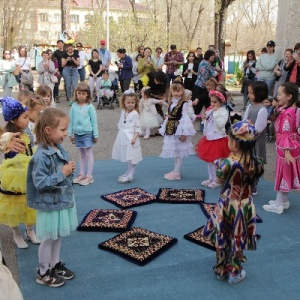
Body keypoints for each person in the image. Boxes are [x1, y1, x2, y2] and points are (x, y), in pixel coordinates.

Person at [203, 121, 264, 284]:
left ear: (235, 143)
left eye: (229, 140)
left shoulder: (228, 163)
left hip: (227, 204)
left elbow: (218, 179)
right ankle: (234, 270)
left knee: (222, 235)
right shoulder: (255, 163)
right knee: (238, 237)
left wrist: (219, 164)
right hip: (245, 205)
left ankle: (221, 268)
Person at [27, 108, 77, 287]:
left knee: (58, 235)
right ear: (48, 130)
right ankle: (43, 272)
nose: (66, 133)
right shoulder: (41, 156)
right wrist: (63, 173)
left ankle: (54, 265)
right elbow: (40, 182)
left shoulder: (58, 148)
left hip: (60, 201)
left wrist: (68, 169)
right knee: (48, 237)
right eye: (62, 130)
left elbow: (61, 172)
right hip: (49, 204)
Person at [0, 97, 39, 249]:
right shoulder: (10, 138)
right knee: (14, 207)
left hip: (28, 175)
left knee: (29, 204)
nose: (27, 119)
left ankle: (30, 231)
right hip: (14, 178)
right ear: (14, 120)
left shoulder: (26, 133)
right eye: (24, 117)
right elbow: (12, 159)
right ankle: (16, 234)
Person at [262, 82, 300, 214]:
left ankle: (278, 204)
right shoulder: (285, 110)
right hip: (285, 149)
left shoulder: (288, 113)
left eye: (279, 94)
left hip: (286, 150)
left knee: (283, 175)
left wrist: (287, 152)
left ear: (289, 96)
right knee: (285, 174)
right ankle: (284, 201)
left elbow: (286, 134)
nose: (276, 96)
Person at [159, 76, 195, 180]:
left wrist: (183, 132)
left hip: (179, 129)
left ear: (182, 91)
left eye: (178, 91)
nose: (175, 93)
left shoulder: (184, 103)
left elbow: (185, 117)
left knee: (179, 151)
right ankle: (175, 170)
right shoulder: (172, 102)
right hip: (171, 128)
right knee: (175, 150)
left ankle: (177, 172)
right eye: (174, 91)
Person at [195, 90, 230, 188]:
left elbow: (221, 124)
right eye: (211, 102)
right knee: (209, 161)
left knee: (216, 161)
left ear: (221, 102)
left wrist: (215, 114)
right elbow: (206, 123)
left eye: (215, 102)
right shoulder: (210, 110)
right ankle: (211, 178)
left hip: (218, 138)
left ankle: (217, 180)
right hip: (209, 137)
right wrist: (204, 117)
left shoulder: (223, 111)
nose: (213, 104)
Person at [68, 83, 98, 186]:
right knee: (81, 155)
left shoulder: (90, 107)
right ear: (76, 94)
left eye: (83, 93)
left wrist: (96, 134)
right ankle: (82, 174)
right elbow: (71, 120)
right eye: (79, 93)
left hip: (87, 133)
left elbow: (94, 121)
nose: (81, 95)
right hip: (77, 134)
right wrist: (70, 133)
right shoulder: (74, 106)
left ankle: (89, 176)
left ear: (87, 95)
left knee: (89, 154)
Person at [112, 89, 142, 183]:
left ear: (135, 103)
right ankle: (128, 172)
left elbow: (137, 128)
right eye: (128, 102)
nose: (130, 104)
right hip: (125, 136)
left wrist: (134, 138)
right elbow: (122, 123)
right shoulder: (124, 111)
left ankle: (131, 175)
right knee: (128, 156)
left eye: (132, 102)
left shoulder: (135, 114)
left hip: (131, 137)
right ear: (124, 102)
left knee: (133, 156)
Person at [243, 81, 268, 165]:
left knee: (256, 160)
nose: (249, 95)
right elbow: (244, 120)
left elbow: (258, 129)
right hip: (247, 136)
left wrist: (249, 126)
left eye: (251, 93)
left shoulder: (262, 109)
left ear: (259, 93)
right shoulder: (250, 106)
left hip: (256, 140)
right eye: (248, 92)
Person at [193, 50, 219, 115]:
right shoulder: (206, 64)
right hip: (201, 87)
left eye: (214, 55)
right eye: (212, 55)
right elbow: (212, 74)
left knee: (207, 104)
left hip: (200, 86)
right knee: (199, 106)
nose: (213, 57)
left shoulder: (204, 62)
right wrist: (217, 71)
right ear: (208, 56)